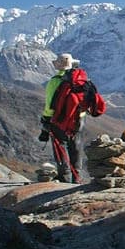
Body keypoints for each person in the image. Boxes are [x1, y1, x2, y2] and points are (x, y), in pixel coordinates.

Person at [39, 53, 106, 183]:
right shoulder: (83, 81)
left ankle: (64, 177)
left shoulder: (55, 81)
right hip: (79, 120)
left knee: (61, 147)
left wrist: (46, 120)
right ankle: (77, 177)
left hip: (59, 120)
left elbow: (49, 105)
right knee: (76, 146)